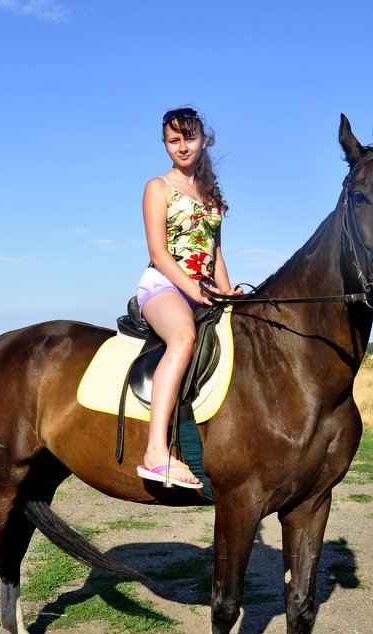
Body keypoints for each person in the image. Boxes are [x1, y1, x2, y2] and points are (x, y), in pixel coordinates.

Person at [135, 107, 241, 489]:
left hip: (204, 288)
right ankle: (155, 452)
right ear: (165, 144)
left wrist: (227, 292)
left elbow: (216, 253)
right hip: (163, 285)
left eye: (189, 138)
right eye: (173, 140)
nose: (182, 146)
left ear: (204, 140)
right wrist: (194, 287)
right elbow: (159, 253)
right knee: (183, 337)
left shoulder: (211, 195)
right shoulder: (158, 187)